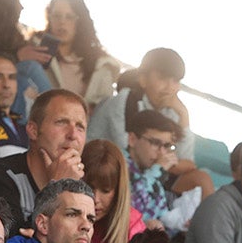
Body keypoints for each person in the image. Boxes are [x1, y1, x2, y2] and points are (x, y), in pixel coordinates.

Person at [0, 88, 88, 232]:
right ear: (33, 130)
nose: (72, 135)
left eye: (80, 127)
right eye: (61, 122)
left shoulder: (82, 192)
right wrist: (57, 190)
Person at [89, 48, 210, 198]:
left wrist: (184, 115)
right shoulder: (125, 102)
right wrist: (166, 163)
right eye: (163, 78)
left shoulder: (172, 112)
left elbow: (187, 162)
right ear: (143, 79)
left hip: (147, 175)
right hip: (104, 171)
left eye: (176, 81)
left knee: (202, 178)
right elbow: (131, 156)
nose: (170, 87)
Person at [40, 0, 121, 108]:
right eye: (57, 16)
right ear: (49, 18)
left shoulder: (100, 65)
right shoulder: (36, 53)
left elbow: (104, 111)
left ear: (79, 21)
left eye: (69, 17)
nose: (62, 22)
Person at [125, 110, 199, 235]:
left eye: (167, 146)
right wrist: (157, 171)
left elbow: (160, 216)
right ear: (132, 139)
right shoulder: (117, 163)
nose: (161, 153)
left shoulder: (152, 175)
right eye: (155, 143)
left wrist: (182, 224)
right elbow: (134, 208)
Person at [81, 139, 144, 243]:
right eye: (89, 188)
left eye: (105, 190)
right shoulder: (62, 220)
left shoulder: (133, 226)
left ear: (118, 191)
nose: (96, 199)